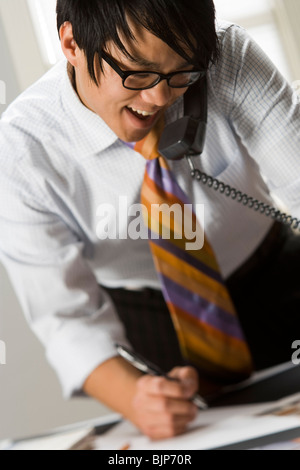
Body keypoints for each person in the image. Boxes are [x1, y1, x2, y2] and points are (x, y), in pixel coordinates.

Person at [0, 0, 300, 440]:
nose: (159, 98)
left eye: (182, 73)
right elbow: (65, 317)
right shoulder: (21, 151)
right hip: (150, 320)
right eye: (136, 73)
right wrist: (135, 396)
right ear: (71, 44)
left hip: (275, 276)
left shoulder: (227, 55)